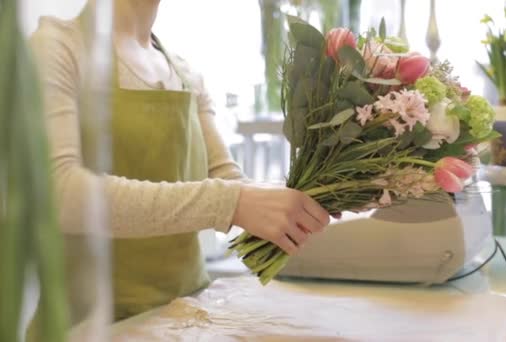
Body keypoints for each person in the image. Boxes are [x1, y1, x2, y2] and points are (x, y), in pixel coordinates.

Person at [29, 0, 330, 323]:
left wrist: (321, 188)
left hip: (185, 319)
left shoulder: (186, 75)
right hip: (90, 327)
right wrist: (232, 202)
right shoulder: (58, 47)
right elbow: (59, 193)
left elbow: (227, 179)